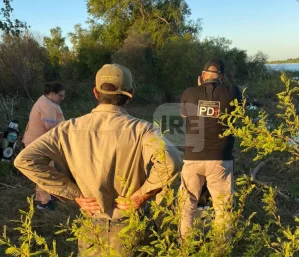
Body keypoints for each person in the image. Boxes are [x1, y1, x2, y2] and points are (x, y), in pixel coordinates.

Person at [14, 64, 182, 256]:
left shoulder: (68, 129)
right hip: (130, 227)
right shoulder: (143, 129)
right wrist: (141, 196)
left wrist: (75, 194)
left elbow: (25, 160)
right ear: (131, 93)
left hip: (92, 228)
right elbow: (172, 160)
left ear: (95, 92)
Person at [178, 58, 241, 238]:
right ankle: (220, 247)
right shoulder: (232, 92)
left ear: (202, 76)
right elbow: (239, 111)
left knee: (187, 206)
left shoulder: (189, 93)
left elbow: (184, 115)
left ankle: (185, 247)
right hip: (221, 159)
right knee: (223, 208)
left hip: (192, 158)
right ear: (222, 77)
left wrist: (200, 92)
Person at [22, 82, 66, 211]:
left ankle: (42, 196)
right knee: (44, 171)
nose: (62, 98)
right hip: (38, 143)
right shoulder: (47, 105)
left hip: (39, 142)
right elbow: (50, 127)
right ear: (52, 93)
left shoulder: (46, 101)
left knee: (42, 170)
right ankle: (44, 202)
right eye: (60, 95)